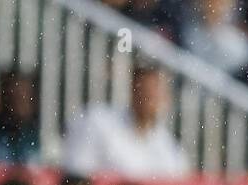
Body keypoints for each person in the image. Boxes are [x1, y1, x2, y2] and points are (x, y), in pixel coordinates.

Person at [60, 64, 189, 177]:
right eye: (146, 91)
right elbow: (77, 177)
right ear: (133, 91)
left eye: (158, 92)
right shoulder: (96, 121)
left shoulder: (169, 146)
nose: (152, 98)